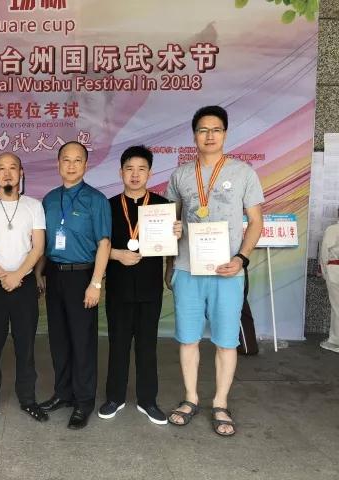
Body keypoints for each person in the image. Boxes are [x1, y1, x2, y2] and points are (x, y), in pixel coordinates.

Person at [165, 106, 264, 436]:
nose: (209, 135)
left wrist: (241, 259)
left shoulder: (243, 173)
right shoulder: (180, 175)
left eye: (216, 129)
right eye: (203, 130)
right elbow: (169, 222)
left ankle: (220, 402)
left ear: (225, 134)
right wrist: (170, 258)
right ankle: (191, 398)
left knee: (225, 341)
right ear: (194, 135)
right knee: (188, 339)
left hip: (228, 271)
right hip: (187, 270)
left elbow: (256, 222)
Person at [99, 145, 182, 424]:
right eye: (129, 169)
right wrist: (116, 254)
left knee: (147, 346)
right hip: (118, 287)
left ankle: (148, 400)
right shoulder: (108, 206)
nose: (135, 175)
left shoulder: (162, 206)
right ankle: (115, 397)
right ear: (121, 172)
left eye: (141, 169)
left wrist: (177, 233)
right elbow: (97, 244)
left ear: (150, 173)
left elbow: (171, 247)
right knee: (118, 344)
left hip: (149, 288)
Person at [37, 141, 111, 430]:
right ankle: (63, 393)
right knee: (58, 339)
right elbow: (43, 244)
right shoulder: (49, 199)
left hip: (83, 276)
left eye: (77, 160)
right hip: (54, 275)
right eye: (65, 160)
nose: (71, 165)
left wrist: (96, 284)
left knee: (83, 341)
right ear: (58, 164)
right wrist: (39, 273)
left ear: (85, 165)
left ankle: (84, 401)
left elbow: (104, 244)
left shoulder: (96, 199)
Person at [0, 152, 48, 424]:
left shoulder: (34, 206)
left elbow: (38, 247)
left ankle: (28, 399)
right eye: (1, 168)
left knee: (25, 345)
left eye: (12, 168)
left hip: (24, 285)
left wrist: (18, 275)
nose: (7, 173)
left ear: (21, 173)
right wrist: (4, 275)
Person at [319, 213, 339, 353]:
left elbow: (324, 254)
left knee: (337, 307)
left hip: (335, 270)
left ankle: (335, 341)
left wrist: (325, 273)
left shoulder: (332, 229)